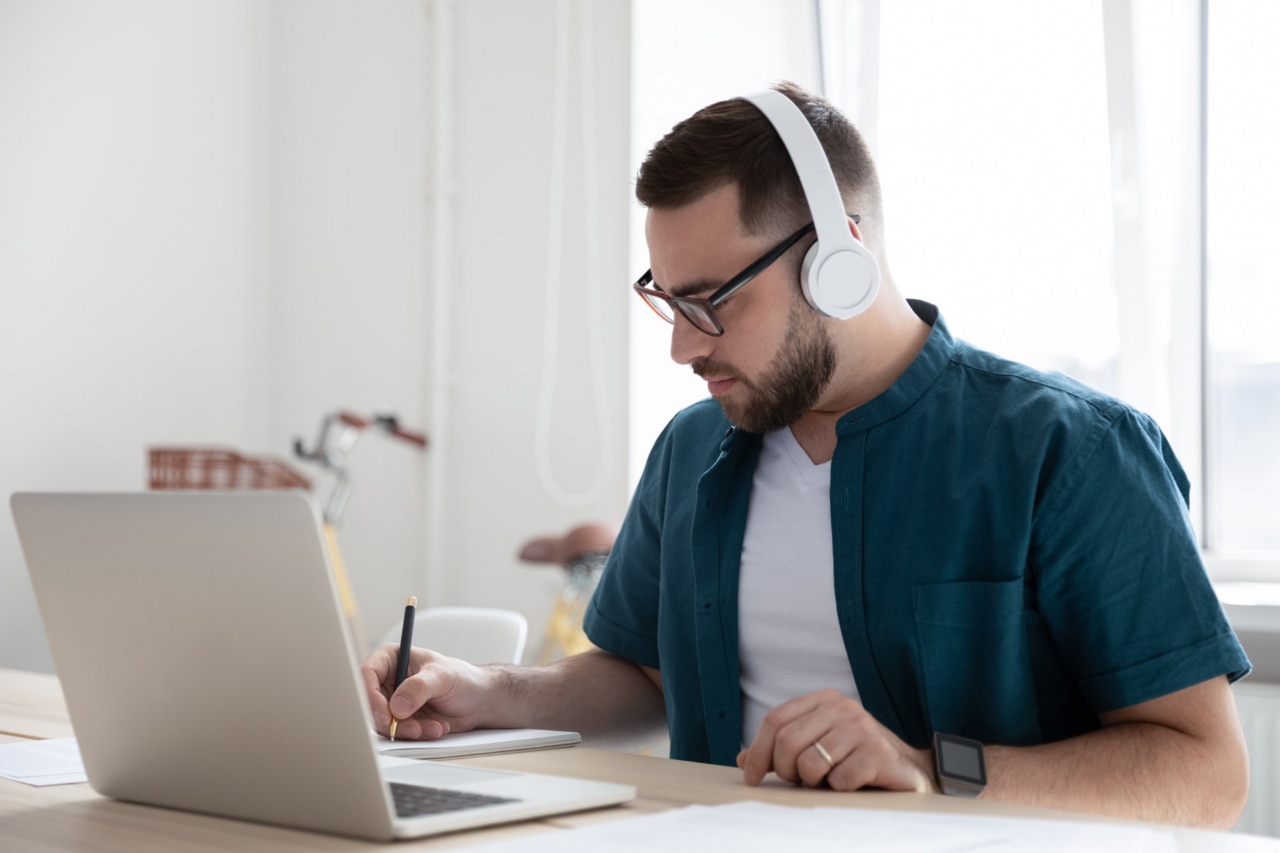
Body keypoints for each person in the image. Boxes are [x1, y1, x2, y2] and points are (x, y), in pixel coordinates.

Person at [362, 81, 1251, 828]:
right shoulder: (692, 447)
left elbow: (1207, 775)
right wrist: (489, 689)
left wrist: (931, 772)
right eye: (666, 301)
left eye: (710, 302)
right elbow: (644, 674)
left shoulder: (1071, 452)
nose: (682, 347)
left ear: (839, 261)